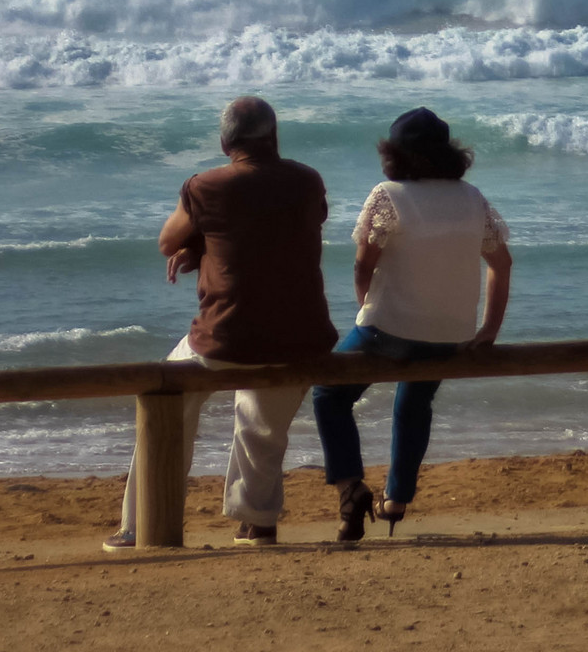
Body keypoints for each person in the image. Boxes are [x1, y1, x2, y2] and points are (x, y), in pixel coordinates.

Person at [102, 96, 336, 551]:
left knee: (167, 400)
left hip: (226, 336)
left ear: (225, 141)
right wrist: (209, 246)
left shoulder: (207, 185)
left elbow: (168, 241)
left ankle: (138, 524)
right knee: (263, 426)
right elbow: (278, 232)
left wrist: (199, 246)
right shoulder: (308, 181)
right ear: (274, 136)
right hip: (303, 337)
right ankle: (257, 523)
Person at [313, 107, 512, 541]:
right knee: (414, 402)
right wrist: (488, 329)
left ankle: (351, 490)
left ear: (394, 154)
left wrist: (366, 310)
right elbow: (501, 262)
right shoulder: (472, 198)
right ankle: (396, 499)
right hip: (451, 335)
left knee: (329, 393)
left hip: (387, 329)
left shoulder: (388, 195)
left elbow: (363, 265)